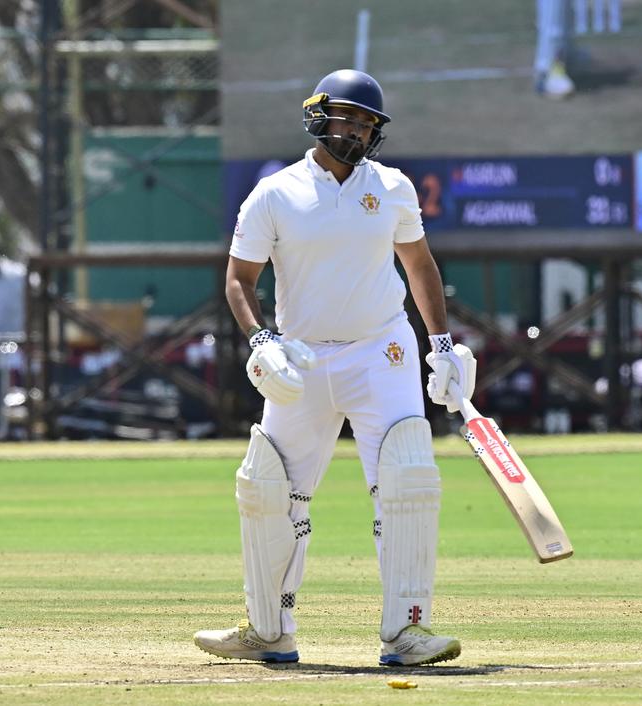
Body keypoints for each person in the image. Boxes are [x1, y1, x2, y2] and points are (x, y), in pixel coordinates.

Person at [193, 69, 474, 666]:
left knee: (407, 480)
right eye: (348, 117)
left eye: (368, 123)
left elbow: (419, 266)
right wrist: (261, 340)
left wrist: (442, 344)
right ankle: (268, 630)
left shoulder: (393, 188)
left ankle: (407, 631)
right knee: (270, 489)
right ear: (318, 116)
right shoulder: (274, 192)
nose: (357, 131)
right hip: (301, 357)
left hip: (383, 351)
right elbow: (239, 281)